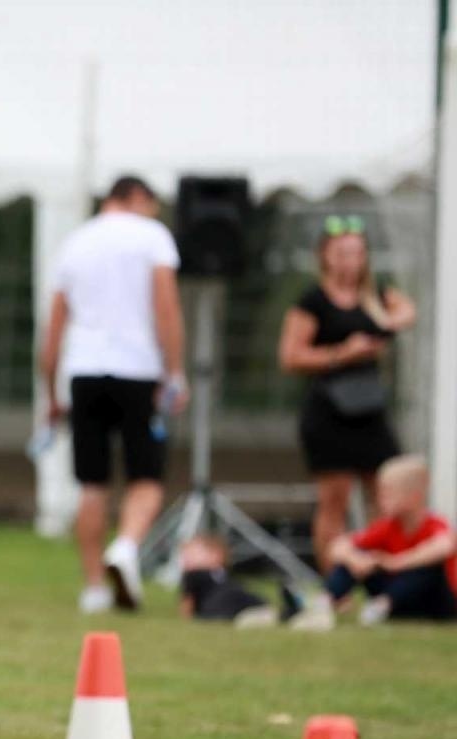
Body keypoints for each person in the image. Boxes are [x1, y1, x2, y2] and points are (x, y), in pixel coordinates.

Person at [39, 175, 186, 615]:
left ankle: (94, 587)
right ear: (137, 197)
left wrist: (50, 391)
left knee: (92, 483)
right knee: (146, 477)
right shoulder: (153, 237)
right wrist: (174, 372)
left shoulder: (74, 243)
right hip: (137, 369)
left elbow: (55, 325)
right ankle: (125, 546)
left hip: (84, 371)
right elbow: (166, 308)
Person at [277, 215, 415, 570]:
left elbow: (407, 311)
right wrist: (343, 353)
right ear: (325, 256)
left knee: (385, 495)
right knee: (334, 502)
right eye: (342, 253)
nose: (351, 261)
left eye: (357, 253)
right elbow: (290, 357)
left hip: (369, 409)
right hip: (329, 410)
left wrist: (387, 324)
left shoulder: (375, 294)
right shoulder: (313, 301)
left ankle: (381, 576)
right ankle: (336, 583)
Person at [307, 455, 456, 627]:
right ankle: (324, 602)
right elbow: (337, 547)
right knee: (360, 555)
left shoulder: (434, 524)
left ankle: (382, 605)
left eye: (388, 493)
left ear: (414, 496)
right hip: (399, 601)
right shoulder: (386, 527)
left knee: (428, 566)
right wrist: (356, 560)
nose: (380, 499)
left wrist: (395, 562)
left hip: (434, 603)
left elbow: (445, 546)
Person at [177, 532, 302, 628]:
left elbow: (187, 606)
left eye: (193, 554)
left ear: (216, 555)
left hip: (239, 603)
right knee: (258, 616)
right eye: (185, 555)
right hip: (224, 610)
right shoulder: (194, 576)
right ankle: (288, 611)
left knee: (262, 612)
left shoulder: (214, 575)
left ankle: (289, 609)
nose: (186, 559)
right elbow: (188, 606)